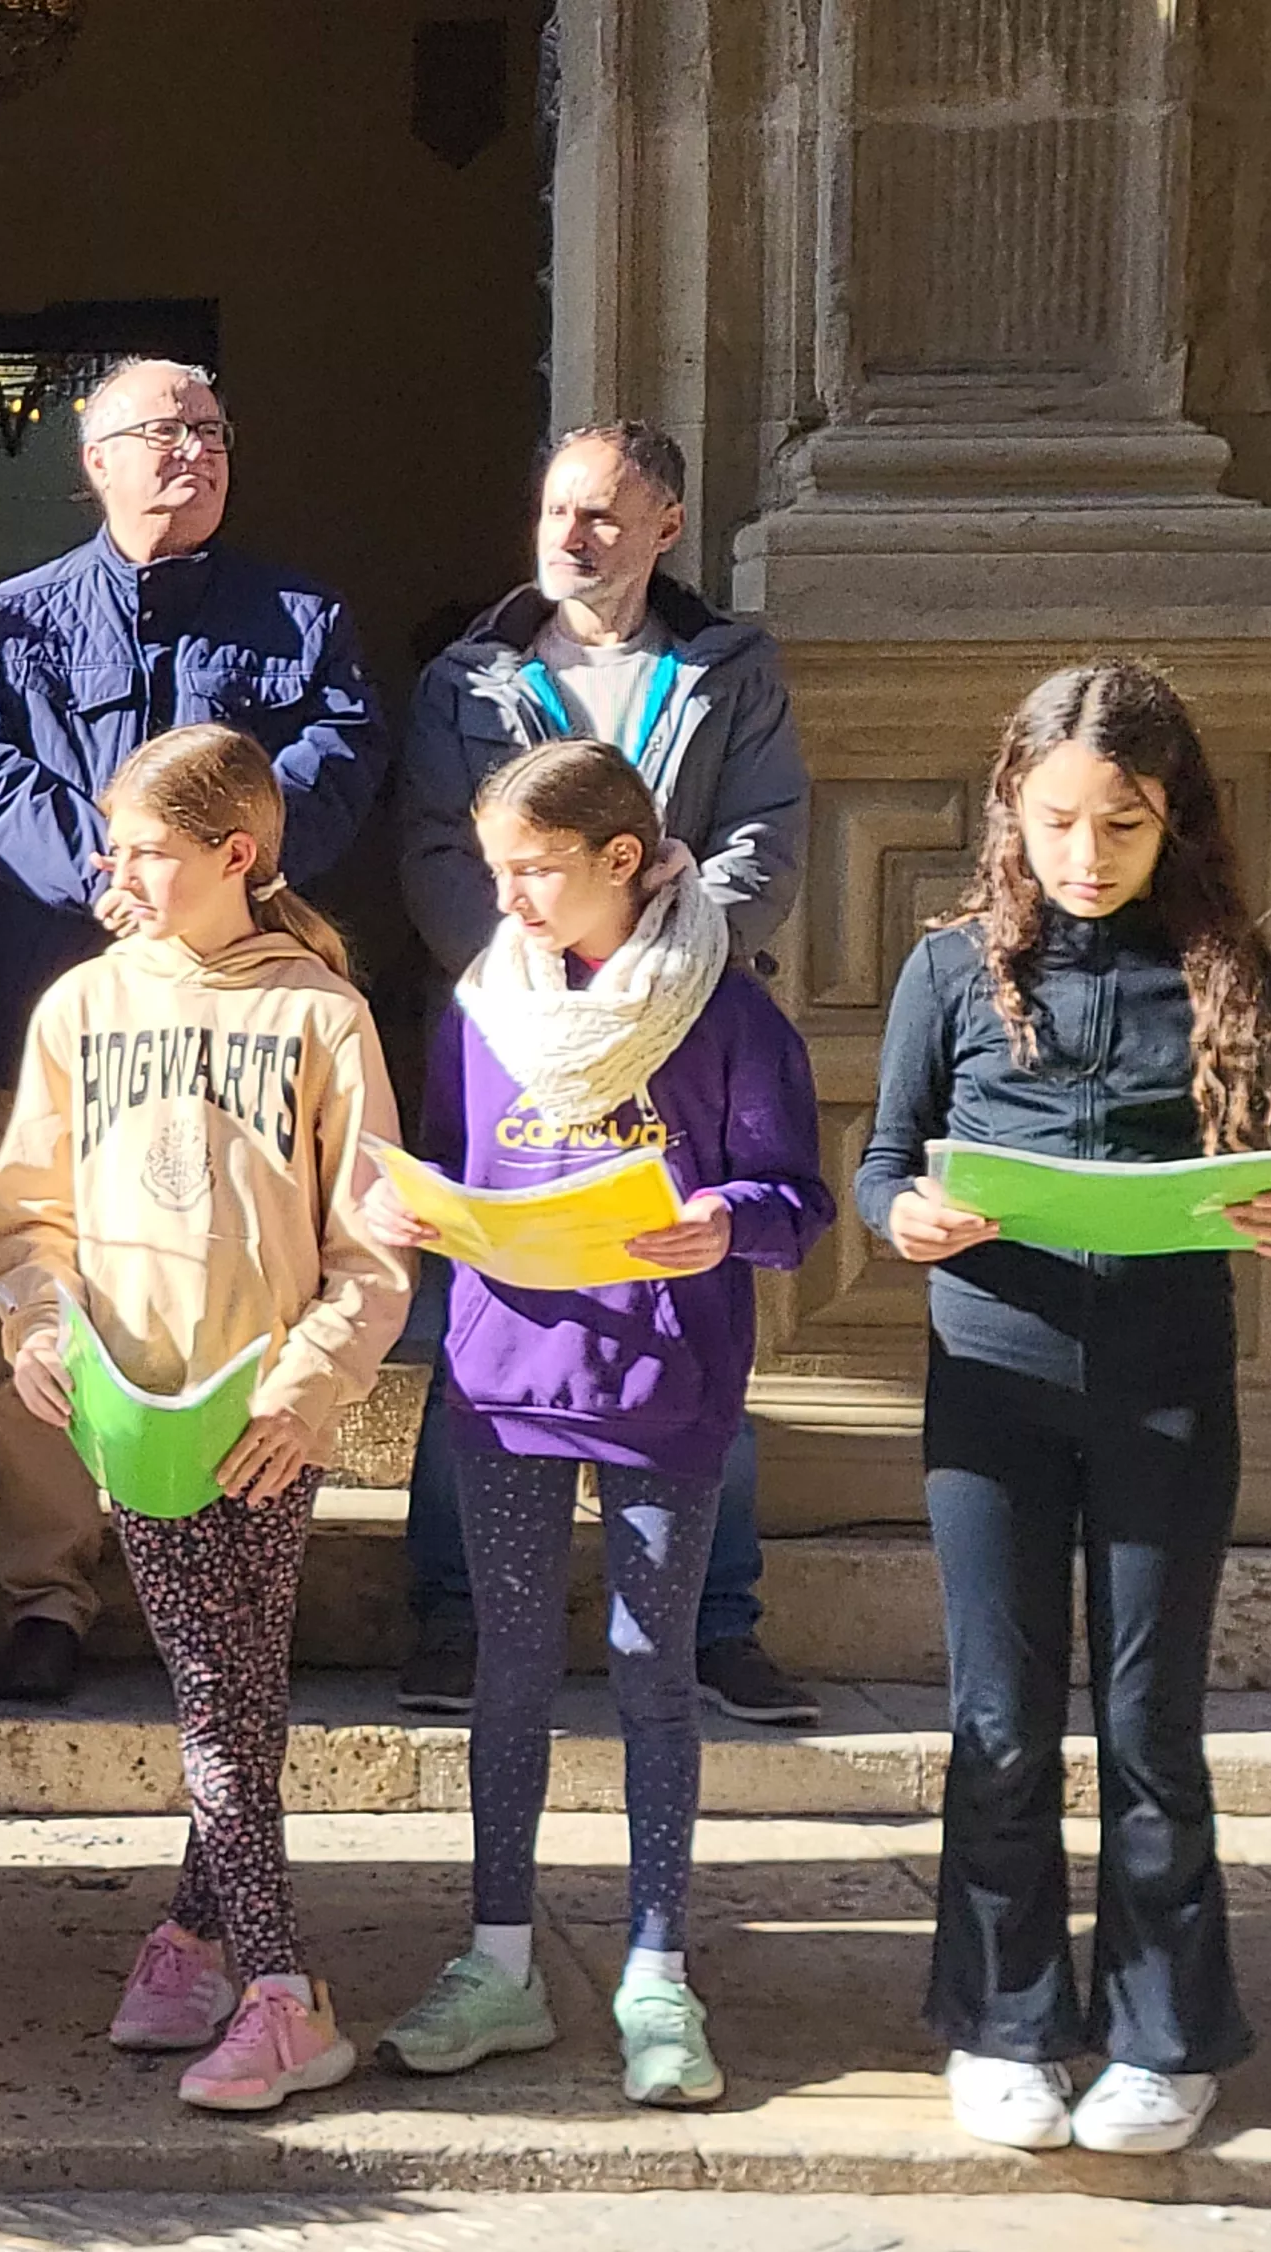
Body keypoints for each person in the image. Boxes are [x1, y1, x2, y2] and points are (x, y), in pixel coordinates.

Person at [859, 660, 1271, 2157]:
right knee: (999, 1722)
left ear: (1171, 816)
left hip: (1168, 1391)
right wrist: (907, 1218)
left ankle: (1161, 2033)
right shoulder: (950, 969)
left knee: (1150, 1723)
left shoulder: (1231, 966)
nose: (1085, 855)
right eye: (1057, 821)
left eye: (1120, 825)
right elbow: (880, 1166)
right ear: (1013, 806)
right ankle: (1003, 2026)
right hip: (991, 1387)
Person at [360, 742, 830, 2111]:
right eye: (496, 869)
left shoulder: (726, 1017)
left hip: (661, 1385)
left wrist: (724, 1222)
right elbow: (453, 1159)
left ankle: (656, 1970)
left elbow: (797, 1202)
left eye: (533, 871)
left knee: (651, 1667)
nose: (506, 899)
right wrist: (415, 1208)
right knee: (507, 1668)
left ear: (623, 861)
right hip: (504, 1383)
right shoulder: (481, 1008)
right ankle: (497, 1958)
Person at [0, 356, 386, 1706]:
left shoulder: (300, 617)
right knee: (49, 1280)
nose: (191, 450)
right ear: (95, 458)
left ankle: (227, 1559)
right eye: (161, 431)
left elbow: (338, 757)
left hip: (243, 1016)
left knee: (234, 1267)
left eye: (210, 431)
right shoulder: (12, 620)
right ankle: (50, 1584)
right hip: (56, 996)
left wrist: (208, 870)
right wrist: (109, 876)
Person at [0, 722, 408, 2114]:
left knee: (239, 1695)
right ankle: (266, 1975)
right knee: (226, 1703)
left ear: (240, 856)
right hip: (137, 1412)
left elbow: (371, 1239)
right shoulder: (81, 1007)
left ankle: (222, 1951)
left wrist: (313, 1381)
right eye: (118, 847)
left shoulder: (321, 1018)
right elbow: (28, 1211)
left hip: (266, 1416)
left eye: (153, 852)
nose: (123, 874)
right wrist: (38, 1323)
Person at [391, 419, 819, 1727]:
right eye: (556, 512)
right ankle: (457, 1618)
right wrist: (546, 981)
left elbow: (767, 834)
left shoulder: (727, 668)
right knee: (482, 1308)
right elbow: (433, 851)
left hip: (684, 1026)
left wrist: (655, 969)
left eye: (603, 517)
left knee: (697, 1305)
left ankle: (716, 1620)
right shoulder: (471, 679)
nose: (572, 539)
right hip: (515, 1030)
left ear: (665, 527)